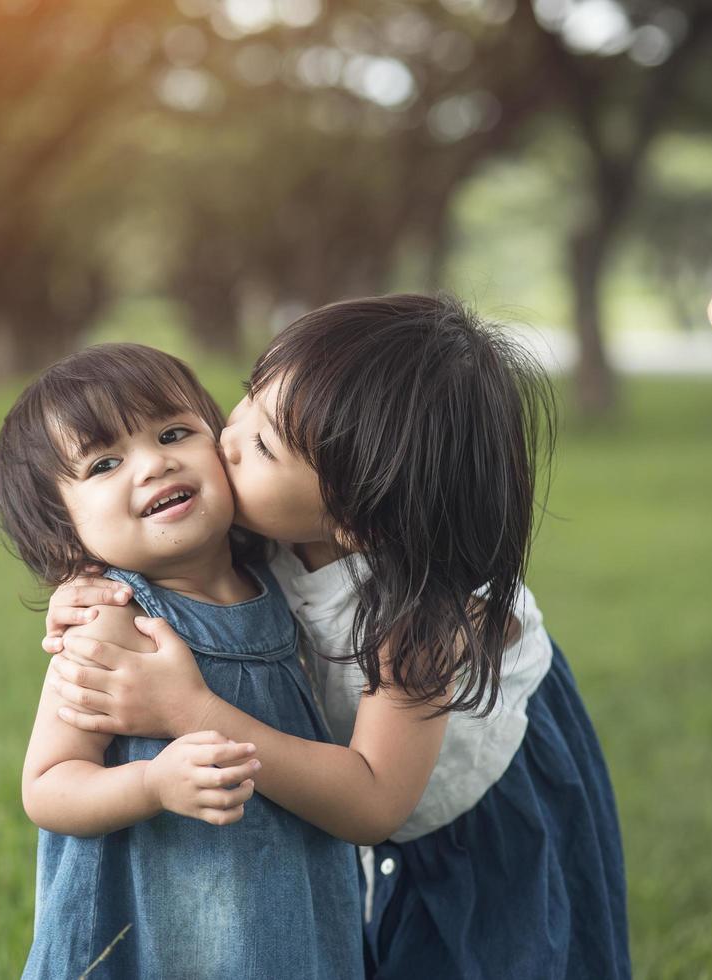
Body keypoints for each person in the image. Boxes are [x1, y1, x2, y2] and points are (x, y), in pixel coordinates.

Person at [42, 295, 631, 979]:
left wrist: (191, 711)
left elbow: (373, 801)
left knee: (496, 955)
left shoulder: (420, 623)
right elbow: (157, 538)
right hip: (373, 773)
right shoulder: (270, 515)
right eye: (249, 398)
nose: (226, 438)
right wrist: (87, 579)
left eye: (263, 445)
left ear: (356, 521)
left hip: (490, 811)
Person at [0, 342, 365, 979]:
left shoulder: (273, 577)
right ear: (65, 529)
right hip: (160, 918)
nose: (154, 464)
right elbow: (48, 787)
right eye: (104, 462)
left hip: (284, 893)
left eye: (173, 432)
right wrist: (151, 784)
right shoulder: (110, 620)